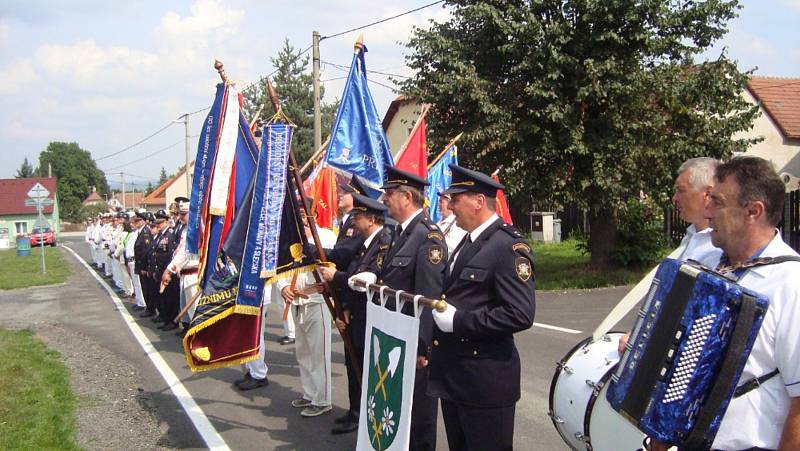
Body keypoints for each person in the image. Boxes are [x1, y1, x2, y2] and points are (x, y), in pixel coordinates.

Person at [651, 156, 800, 451]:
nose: (707, 211)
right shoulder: (707, 266)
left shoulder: (790, 283)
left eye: (717, 202)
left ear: (752, 212)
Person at [428, 164, 535, 451]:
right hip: (456, 376)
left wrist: (460, 320)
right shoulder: (467, 241)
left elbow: (520, 313)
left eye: (456, 199)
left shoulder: (507, 247)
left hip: (484, 382)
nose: (450, 205)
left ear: (478, 202)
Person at [370, 165, 446, 451]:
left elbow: (428, 297)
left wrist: (422, 348)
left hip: (413, 344)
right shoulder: (399, 233)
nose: (384, 200)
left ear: (406, 197)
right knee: (399, 408)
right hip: (394, 337)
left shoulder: (428, 238)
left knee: (419, 415)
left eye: (389, 194)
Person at [318, 192, 393, 434]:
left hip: (372, 316)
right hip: (356, 314)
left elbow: (367, 279)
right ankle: (355, 411)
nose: (353, 222)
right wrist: (346, 308)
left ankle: (365, 415)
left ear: (371, 220)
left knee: (367, 368)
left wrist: (335, 277)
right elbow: (354, 272)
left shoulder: (384, 242)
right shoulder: (364, 244)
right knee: (353, 363)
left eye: (357, 218)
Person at [276, 211, 337, 417]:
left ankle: (323, 399)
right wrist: (283, 286)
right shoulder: (290, 240)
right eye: (297, 213)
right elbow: (280, 269)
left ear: (313, 214)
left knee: (319, 353)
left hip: (317, 301)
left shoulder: (325, 236)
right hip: (296, 301)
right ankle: (309, 393)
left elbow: (333, 266)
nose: (300, 217)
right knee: (303, 353)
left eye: (304, 213)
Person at [161, 197, 198, 336]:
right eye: (180, 214)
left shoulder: (194, 230)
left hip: (193, 275)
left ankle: (199, 343)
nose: (180, 217)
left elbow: (185, 252)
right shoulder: (185, 229)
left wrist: (169, 269)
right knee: (188, 311)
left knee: (195, 312)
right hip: (185, 274)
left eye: (184, 214)